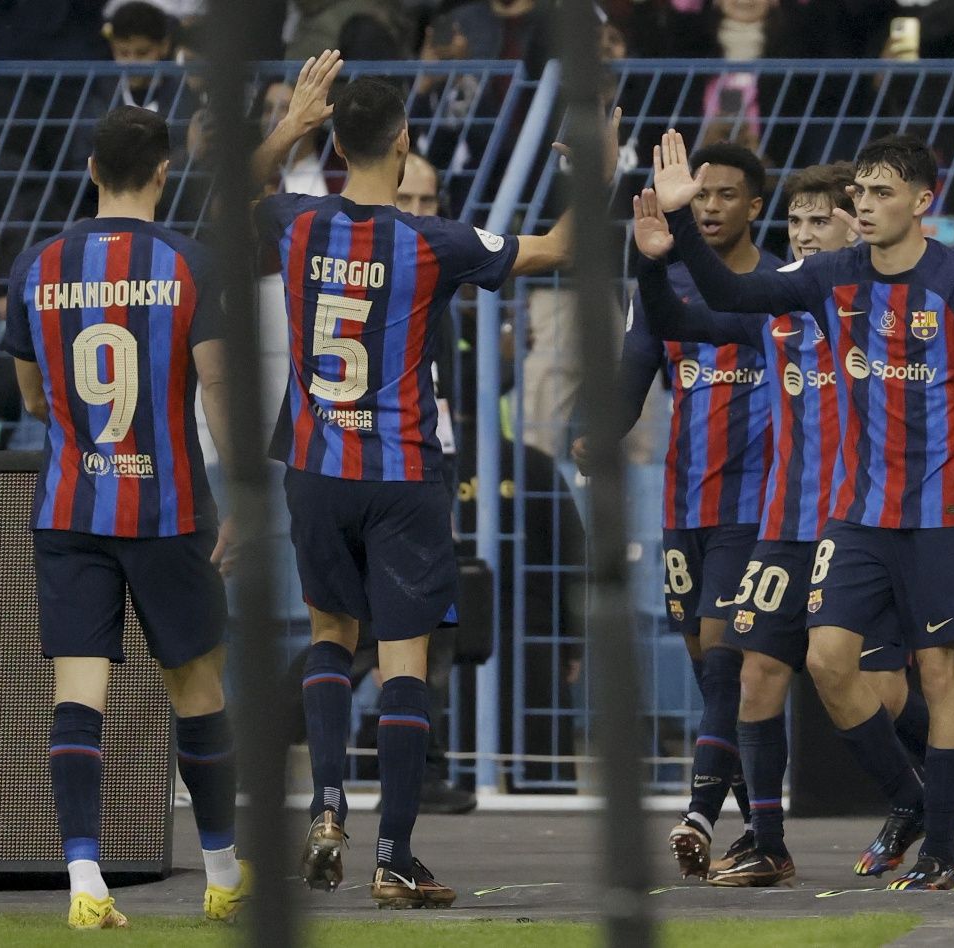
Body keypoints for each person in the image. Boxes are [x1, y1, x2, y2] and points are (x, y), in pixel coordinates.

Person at [251, 51, 613, 908]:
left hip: (314, 466)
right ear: (405, 142)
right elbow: (561, 247)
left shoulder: (296, 222)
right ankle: (396, 855)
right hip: (405, 471)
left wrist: (285, 129)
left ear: (333, 139)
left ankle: (328, 800)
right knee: (408, 656)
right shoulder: (436, 240)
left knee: (332, 639)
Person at [654, 128, 954, 891]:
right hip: (855, 514)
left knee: (937, 677)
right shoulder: (831, 275)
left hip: (938, 512)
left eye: (879, 194)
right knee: (827, 662)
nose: (862, 206)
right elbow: (732, 295)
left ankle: (940, 846)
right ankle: (917, 808)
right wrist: (676, 236)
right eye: (857, 193)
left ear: (923, 202)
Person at [1, 105, 246, 929]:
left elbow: (32, 395)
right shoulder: (189, 263)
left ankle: (83, 880)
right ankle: (220, 874)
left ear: (90, 167)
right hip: (170, 505)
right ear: (164, 171)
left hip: (71, 504)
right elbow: (216, 387)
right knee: (197, 686)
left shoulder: (36, 265)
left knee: (79, 692)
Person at [576, 140, 775, 882]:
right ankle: (760, 823)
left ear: (756, 206)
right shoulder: (666, 282)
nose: (713, 205)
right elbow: (635, 364)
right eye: (703, 194)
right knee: (708, 665)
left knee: (727, 659)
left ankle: (699, 813)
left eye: (727, 194)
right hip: (683, 499)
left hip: (753, 503)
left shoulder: (781, 286)